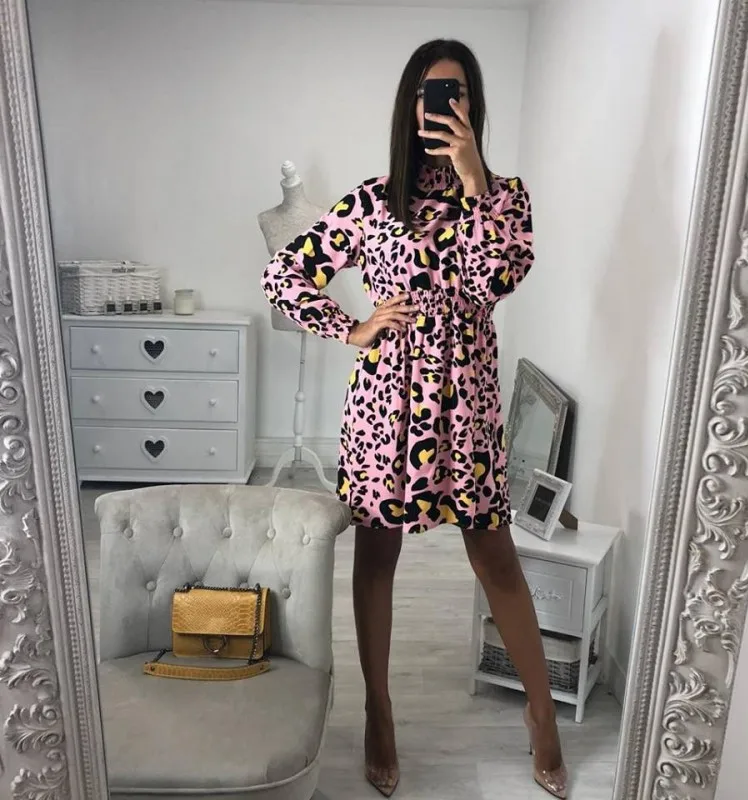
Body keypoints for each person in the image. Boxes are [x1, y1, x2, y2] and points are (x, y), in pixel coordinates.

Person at [262, 38, 567, 800]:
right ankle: (381, 711)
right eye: (434, 93)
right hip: (386, 407)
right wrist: (352, 327)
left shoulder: (506, 197)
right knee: (377, 557)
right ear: (411, 107)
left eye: (457, 93)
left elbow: (497, 281)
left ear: (474, 106)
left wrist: (475, 182)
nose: (445, 106)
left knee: (495, 556)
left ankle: (541, 713)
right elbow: (285, 273)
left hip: (467, 408)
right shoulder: (372, 202)